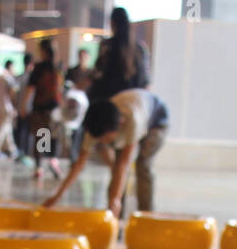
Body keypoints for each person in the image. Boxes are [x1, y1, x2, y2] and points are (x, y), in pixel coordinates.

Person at [43, 87, 169, 218]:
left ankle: (146, 217)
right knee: (116, 175)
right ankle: (114, 218)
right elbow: (79, 164)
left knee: (142, 166)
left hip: (157, 120)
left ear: (120, 125)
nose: (103, 142)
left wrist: (115, 199)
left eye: (106, 139)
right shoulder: (97, 123)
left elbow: (123, 165)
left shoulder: (132, 121)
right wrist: (57, 196)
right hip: (133, 109)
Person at [90, 7, 150, 105]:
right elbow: (145, 83)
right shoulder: (140, 49)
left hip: (109, 104)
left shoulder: (107, 46)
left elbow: (97, 74)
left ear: (112, 23)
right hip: (132, 104)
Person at [24, 38, 62, 179]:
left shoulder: (39, 68)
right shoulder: (58, 66)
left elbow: (30, 89)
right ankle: (53, 160)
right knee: (55, 137)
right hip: (56, 108)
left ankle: (39, 167)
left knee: (42, 136)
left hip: (40, 107)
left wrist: (24, 105)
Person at [0, 59, 20, 158]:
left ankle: (12, 149)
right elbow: (13, 92)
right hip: (7, 106)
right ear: (11, 66)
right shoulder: (8, 78)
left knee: (7, 128)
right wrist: (15, 106)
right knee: (2, 128)